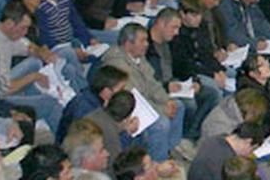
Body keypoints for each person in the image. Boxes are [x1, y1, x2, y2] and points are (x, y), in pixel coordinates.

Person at [102, 23, 185, 162]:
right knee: (161, 123)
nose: (147, 44)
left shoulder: (139, 58)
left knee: (178, 105)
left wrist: (167, 101)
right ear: (128, 44)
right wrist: (162, 109)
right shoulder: (117, 64)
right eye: (142, 41)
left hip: (146, 102)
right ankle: (158, 162)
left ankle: (170, 148)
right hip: (130, 109)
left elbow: (153, 84)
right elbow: (135, 98)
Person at [0, 1, 63, 132]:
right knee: (51, 103)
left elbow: (27, 47)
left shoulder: (2, 31)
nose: (25, 33)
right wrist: (33, 77)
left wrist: (42, 53)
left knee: (35, 62)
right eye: (23, 28)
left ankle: (36, 102)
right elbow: (3, 90)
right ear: (9, 24)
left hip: (0, 79)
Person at [163, 0, 223, 139]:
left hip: (194, 71)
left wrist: (218, 70)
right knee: (193, 102)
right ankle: (188, 136)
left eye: (200, 15)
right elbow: (181, 64)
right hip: (181, 75)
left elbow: (205, 53)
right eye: (194, 15)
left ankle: (198, 131)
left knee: (216, 92)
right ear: (183, 14)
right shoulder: (176, 35)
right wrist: (201, 78)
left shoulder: (199, 27)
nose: (199, 19)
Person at [35, 0, 93, 92]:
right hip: (55, 47)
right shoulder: (39, 6)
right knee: (70, 62)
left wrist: (88, 39)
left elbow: (75, 20)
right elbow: (45, 37)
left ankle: (89, 85)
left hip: (71, 39)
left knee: (101, 49)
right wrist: (72, 48)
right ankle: (84, 90)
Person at [57, 65, 128, 143]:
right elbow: (104, 143)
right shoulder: (87, 110)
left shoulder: (94, 97)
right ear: (107, 91)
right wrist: (127, 133)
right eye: (121, 89)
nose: (124, 92)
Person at [85, 90, 138, 175]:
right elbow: (114, 172)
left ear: (108, 101)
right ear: (127, 117)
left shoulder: (91, 115)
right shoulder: (113, 141)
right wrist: (127, 134)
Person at [188, 123, 265, 180]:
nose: (249, 154)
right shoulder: (228, 160)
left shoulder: (217, 138)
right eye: (252, 149)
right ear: (248, 142)